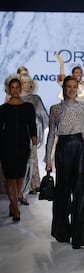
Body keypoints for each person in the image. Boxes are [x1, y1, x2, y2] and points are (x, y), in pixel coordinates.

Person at [45, 76, 84, 249]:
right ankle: (62, 231)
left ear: (78, 88)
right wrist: (48, 159)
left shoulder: (83, 108)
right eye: (69, 86)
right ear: (64, 88)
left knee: (81, 190)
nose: (72, 89)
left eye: (74, 86)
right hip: (63, 149)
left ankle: (80, 235)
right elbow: (52, 134)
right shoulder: (55, 109)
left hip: (80, 148)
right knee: (62, 190)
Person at [0, 77, 37, 221]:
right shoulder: (3, 109)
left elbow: (32, 126)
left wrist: (34, 144)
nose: (15, 89)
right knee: (10, 178)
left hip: (23, 145)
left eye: (17, 87)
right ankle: (15, 208)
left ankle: (13, 202)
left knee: (20, 178)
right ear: (9, 90)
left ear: (20, 88)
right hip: (6, 146)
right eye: (12, 87)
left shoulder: (28, 107)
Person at [20, 73, 49, 198]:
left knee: (32, 160)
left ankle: (33, 185)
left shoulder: (35, 98)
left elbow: (43, 115)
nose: (26, 85)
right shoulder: (14, 97)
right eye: (23, 82)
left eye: (28, 82)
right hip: (18, 133)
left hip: (33, 131)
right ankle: (21, 187)